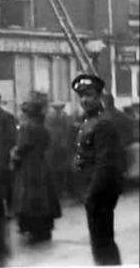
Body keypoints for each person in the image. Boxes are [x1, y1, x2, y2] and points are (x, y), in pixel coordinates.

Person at [72, 74, 124, 266]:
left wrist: (92, 194)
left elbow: (105, 164)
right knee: (99, 241)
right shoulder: (89, 122)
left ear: (99, 97)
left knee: (102, 242)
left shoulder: (103, 124)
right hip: (92, 190)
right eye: (82, 96)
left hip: (100, 192)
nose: (85, 100)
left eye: (90, 95)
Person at [10, 100, 61, 243]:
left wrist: (15, 155)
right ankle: (43, 226)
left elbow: (21, 146)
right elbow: (48, 143)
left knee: (26, 195)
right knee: (43, 193)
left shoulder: (26, 127)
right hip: (41, 163)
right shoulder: (42, 127)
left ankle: (30, 226)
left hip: (28, 164)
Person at [45, 102, 74, 199]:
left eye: (59, 108)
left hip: (61, 146)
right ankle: (58, 189)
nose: (58, 110)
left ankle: (61, 188)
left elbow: (68, 131)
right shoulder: (51, 118)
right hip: (54, 147)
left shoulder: (64, 118)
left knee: (62, 168)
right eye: (56, 109)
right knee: (55, 168)